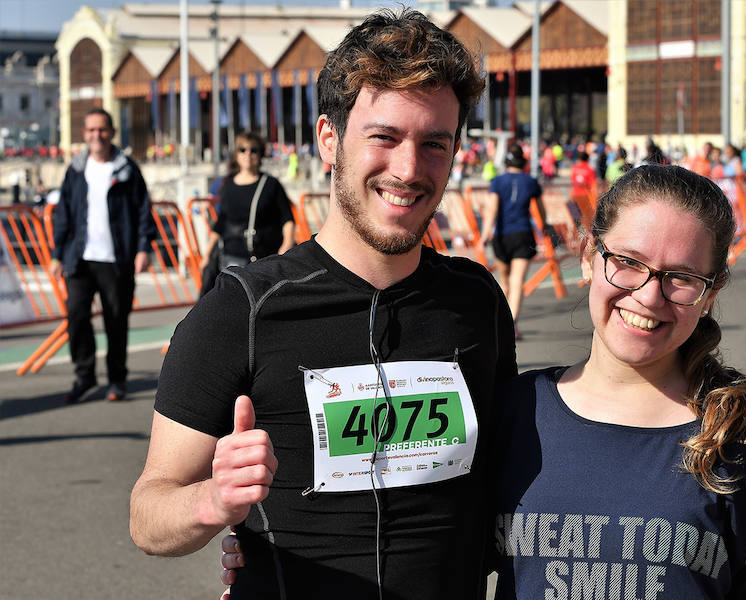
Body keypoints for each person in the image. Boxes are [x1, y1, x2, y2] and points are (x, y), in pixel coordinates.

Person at [130, 9, 516, 600]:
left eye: (434, 144)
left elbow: (501, 479)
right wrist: (214, 500)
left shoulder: (477, 301)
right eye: (384, 137)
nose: (409, 170)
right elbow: (149, 517)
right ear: (329, 138)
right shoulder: (243, 311)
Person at [491, 165, 746, 598]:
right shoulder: (514, 412)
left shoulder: (742, 430)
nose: (649, 295)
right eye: (628, 262)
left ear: (710, 294)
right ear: (588, 257)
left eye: (682, 277)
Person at [48, 107, 154, 403]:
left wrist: (143, 248)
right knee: (76, 315)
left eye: (102, 130)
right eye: (91, 130)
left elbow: (143, 210)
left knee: (116, 321)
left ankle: (117, 379)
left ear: (112, 133)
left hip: (116, 259)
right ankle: (85, 375)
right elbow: (64, 215)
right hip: (79, 258)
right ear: (85, 134)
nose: (97, 135)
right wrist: (57, 255)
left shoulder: (127, 169)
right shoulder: (76, 170)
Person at [199, 131, 295, 277]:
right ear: (236, 154)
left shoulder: (271, 185)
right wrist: (206, 255)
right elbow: (221, 222)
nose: (248, 154)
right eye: (242, 149)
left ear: (260, 154)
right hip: (232, 259)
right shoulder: (227, 185)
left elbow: (287, 219)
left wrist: (286, 246)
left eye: (253, 150)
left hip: (265, 257)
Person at [478, 142, 547, 338]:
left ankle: (502, 322)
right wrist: (545, 226)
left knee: (505, 282)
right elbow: (541, 209)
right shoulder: (531, 182)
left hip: (501, 235)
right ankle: (511, 324)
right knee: (517, 283)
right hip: (523, 235)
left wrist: (484, 236)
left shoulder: (498, 182)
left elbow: (491, 210)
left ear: (506, 162)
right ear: (523, 162)